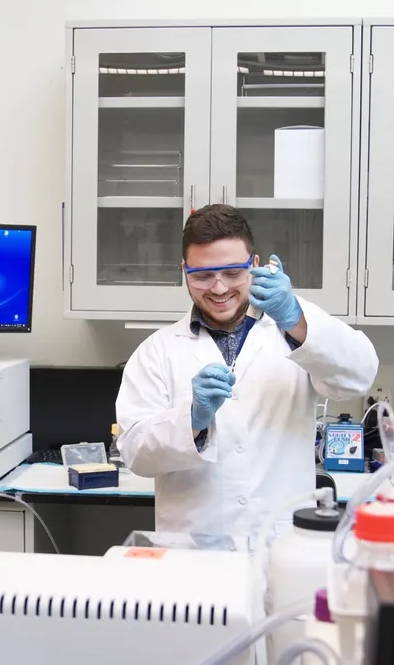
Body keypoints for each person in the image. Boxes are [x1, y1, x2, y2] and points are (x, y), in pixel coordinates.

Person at [114, 205, 379, 537]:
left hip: (279, 542)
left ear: (254, 264)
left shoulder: (292, 328)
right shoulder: (157, 351)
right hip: (192, 547)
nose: (219, 288)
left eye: (232, 273)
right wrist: (191, 422)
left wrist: (295, 317)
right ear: (184, 271)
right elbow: (135, 454)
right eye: (203, 276)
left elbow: (360, 375)